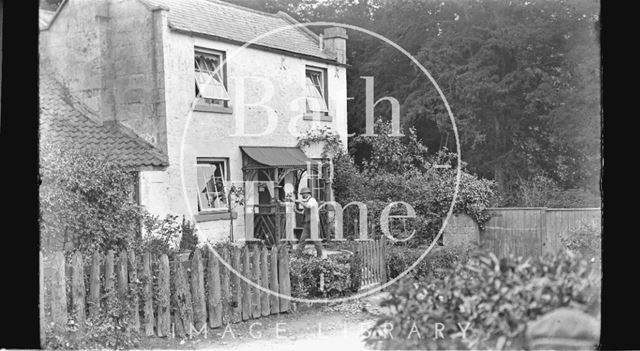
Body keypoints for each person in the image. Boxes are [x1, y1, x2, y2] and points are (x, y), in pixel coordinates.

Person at [293, 187, 324, 257]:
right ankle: (297, 255)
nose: (302, 196)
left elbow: (309, 206)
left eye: (303, 194)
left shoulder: (312, 200)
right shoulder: (306, 202)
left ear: (307, 193)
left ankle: (320, 256)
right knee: (302, 240)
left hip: (314, 223)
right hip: (307, 224)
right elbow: (303, 213)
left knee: (316, 241)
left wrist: (300, 202)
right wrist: (295, 210)